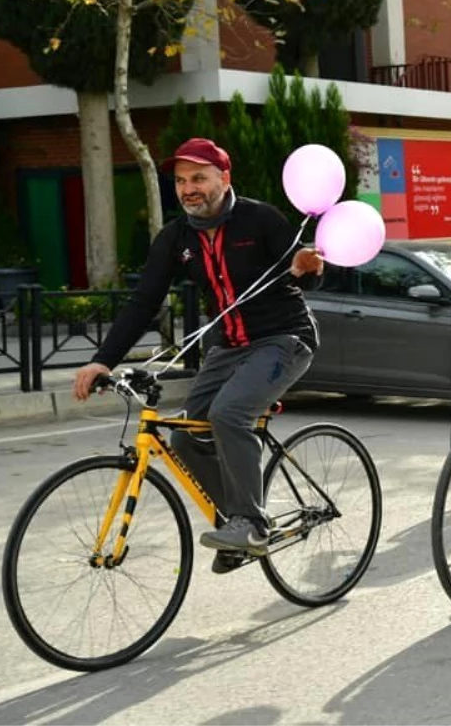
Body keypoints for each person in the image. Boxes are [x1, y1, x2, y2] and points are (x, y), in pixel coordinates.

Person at [73, 137, 323, 569]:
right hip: (226, 346)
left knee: (228, 414)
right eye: (181, 180)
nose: (189, 188)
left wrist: (310, 270)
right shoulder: (175, 237)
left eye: (199, 178)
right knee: (185, 436)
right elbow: (143, 302)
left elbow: (305, 275)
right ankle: (235, 521)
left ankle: (251, 523)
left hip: (284, 338)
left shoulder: (260, 219)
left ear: (224, 179)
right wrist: (104, 360)